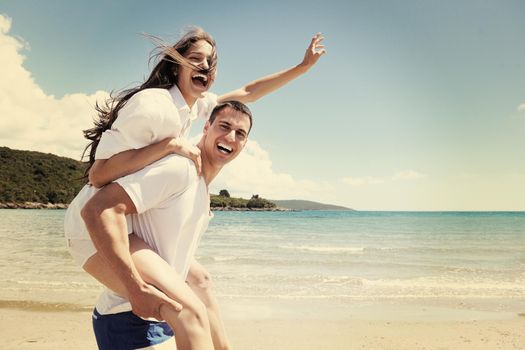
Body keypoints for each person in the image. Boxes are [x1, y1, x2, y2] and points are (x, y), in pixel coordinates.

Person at [64, 27, 325, 349]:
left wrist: (302, 67)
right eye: (196, 59)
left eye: (211, 63)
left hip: (127, 215)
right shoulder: (154, 104)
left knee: (199, 279)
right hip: (95, 225)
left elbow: (249, 91)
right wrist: (168, 146)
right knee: (189, 311)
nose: (205, 67)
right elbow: (98, 175)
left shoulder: (197, 106)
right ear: (177, 65)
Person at [81, 101, 252, 349]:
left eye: (240, 133)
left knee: (201, 281)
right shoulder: (180, 169)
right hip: (126, 318)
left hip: (159, 321)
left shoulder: (201, 188)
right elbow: (98, 209)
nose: (230, 136)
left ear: (244, 144)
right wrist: (135, 287)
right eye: (224, 126)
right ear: (206, 127)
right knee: (193, 313)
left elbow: (179, 262)